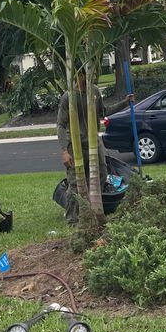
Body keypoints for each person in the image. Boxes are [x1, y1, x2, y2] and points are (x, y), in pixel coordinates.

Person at [56, 78, 107, 224]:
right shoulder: (68, 96)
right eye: (81, 74)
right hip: (75, 144)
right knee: (75, 182)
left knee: (102, 173)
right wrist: (64, 151)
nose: (84, 77)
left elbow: (103, 112)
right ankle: (72, 218)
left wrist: (125, 102)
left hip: (94, 143)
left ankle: (92, 209)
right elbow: (60, 125)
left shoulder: (95, 91)